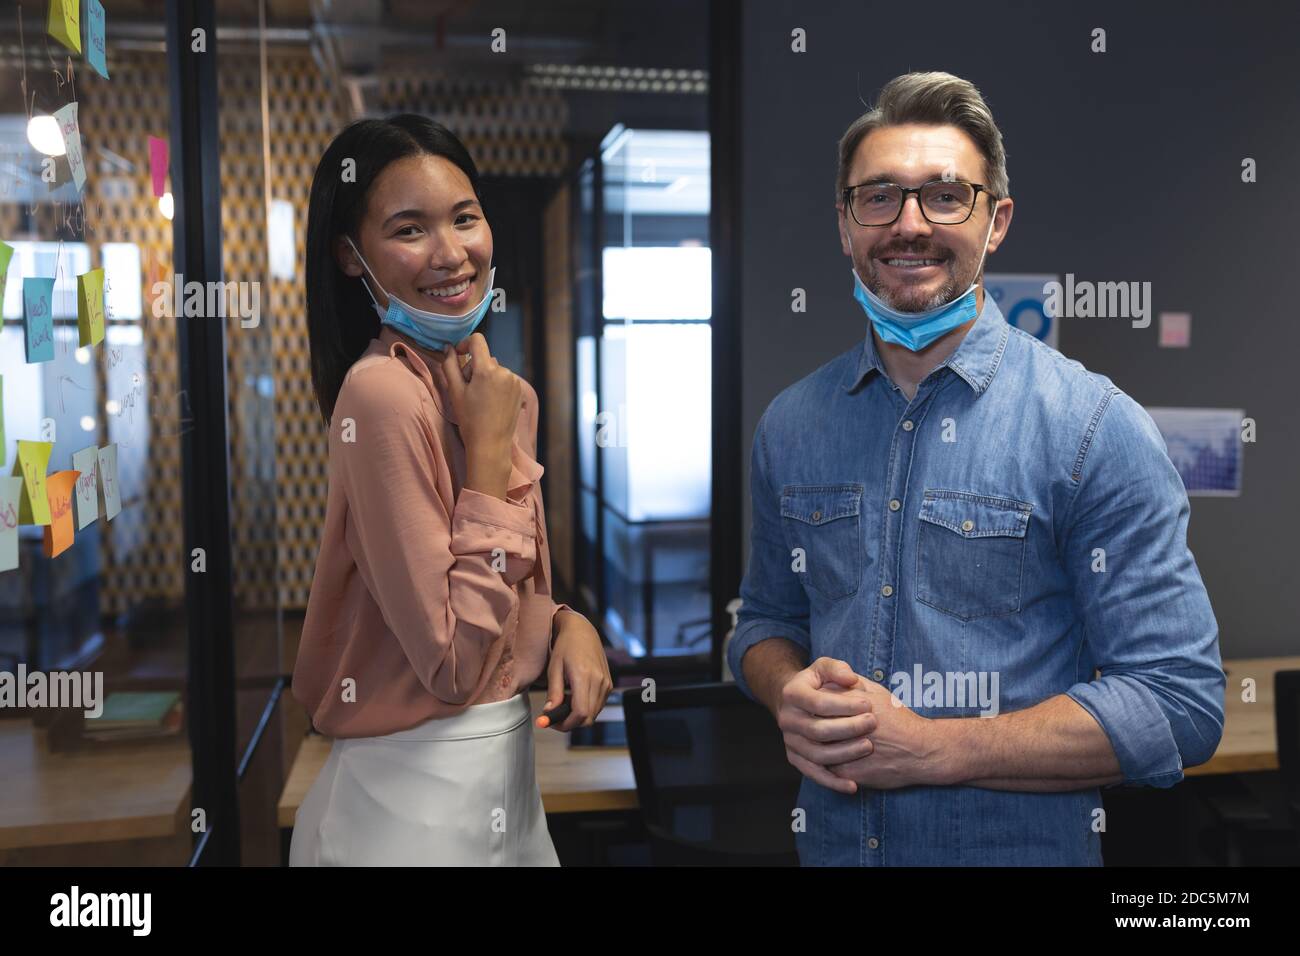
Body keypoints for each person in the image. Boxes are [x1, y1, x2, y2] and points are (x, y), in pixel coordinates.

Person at [728, 72, 1225, 865]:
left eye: (946, 196)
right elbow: (764, 623)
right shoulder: (791, 425)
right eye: (879, 197)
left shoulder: (1095, 428)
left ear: (996, 221)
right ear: (845, 224)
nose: (910, 225)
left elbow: (1179, 703)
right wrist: (785, 687)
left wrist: (933, 747)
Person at [289, 114, 611, 866]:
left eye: (464, 218)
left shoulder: (492, 389)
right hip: (408, 812)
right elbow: (453, 664)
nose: (450, 253)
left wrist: (566, 621)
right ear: (350, 255)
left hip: (505, 792)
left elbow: (496, 611)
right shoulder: (381, 397)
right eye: (409, 230)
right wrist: (492, 452)